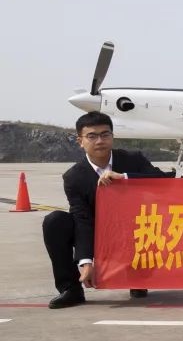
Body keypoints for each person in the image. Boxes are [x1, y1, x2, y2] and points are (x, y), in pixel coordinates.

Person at [41, 112, 174, 308]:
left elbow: (164, 181)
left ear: (113, 136)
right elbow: (82, 219)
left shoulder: (132, 159)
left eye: (105, 134)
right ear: (80, 141)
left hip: (134, 229)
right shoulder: (73, 177)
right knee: (55, 221)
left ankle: (137, 277)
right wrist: (86, 262)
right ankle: (71, 289)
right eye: (92, 136)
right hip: (98, 231)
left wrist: (126, 177)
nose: (100, 140)